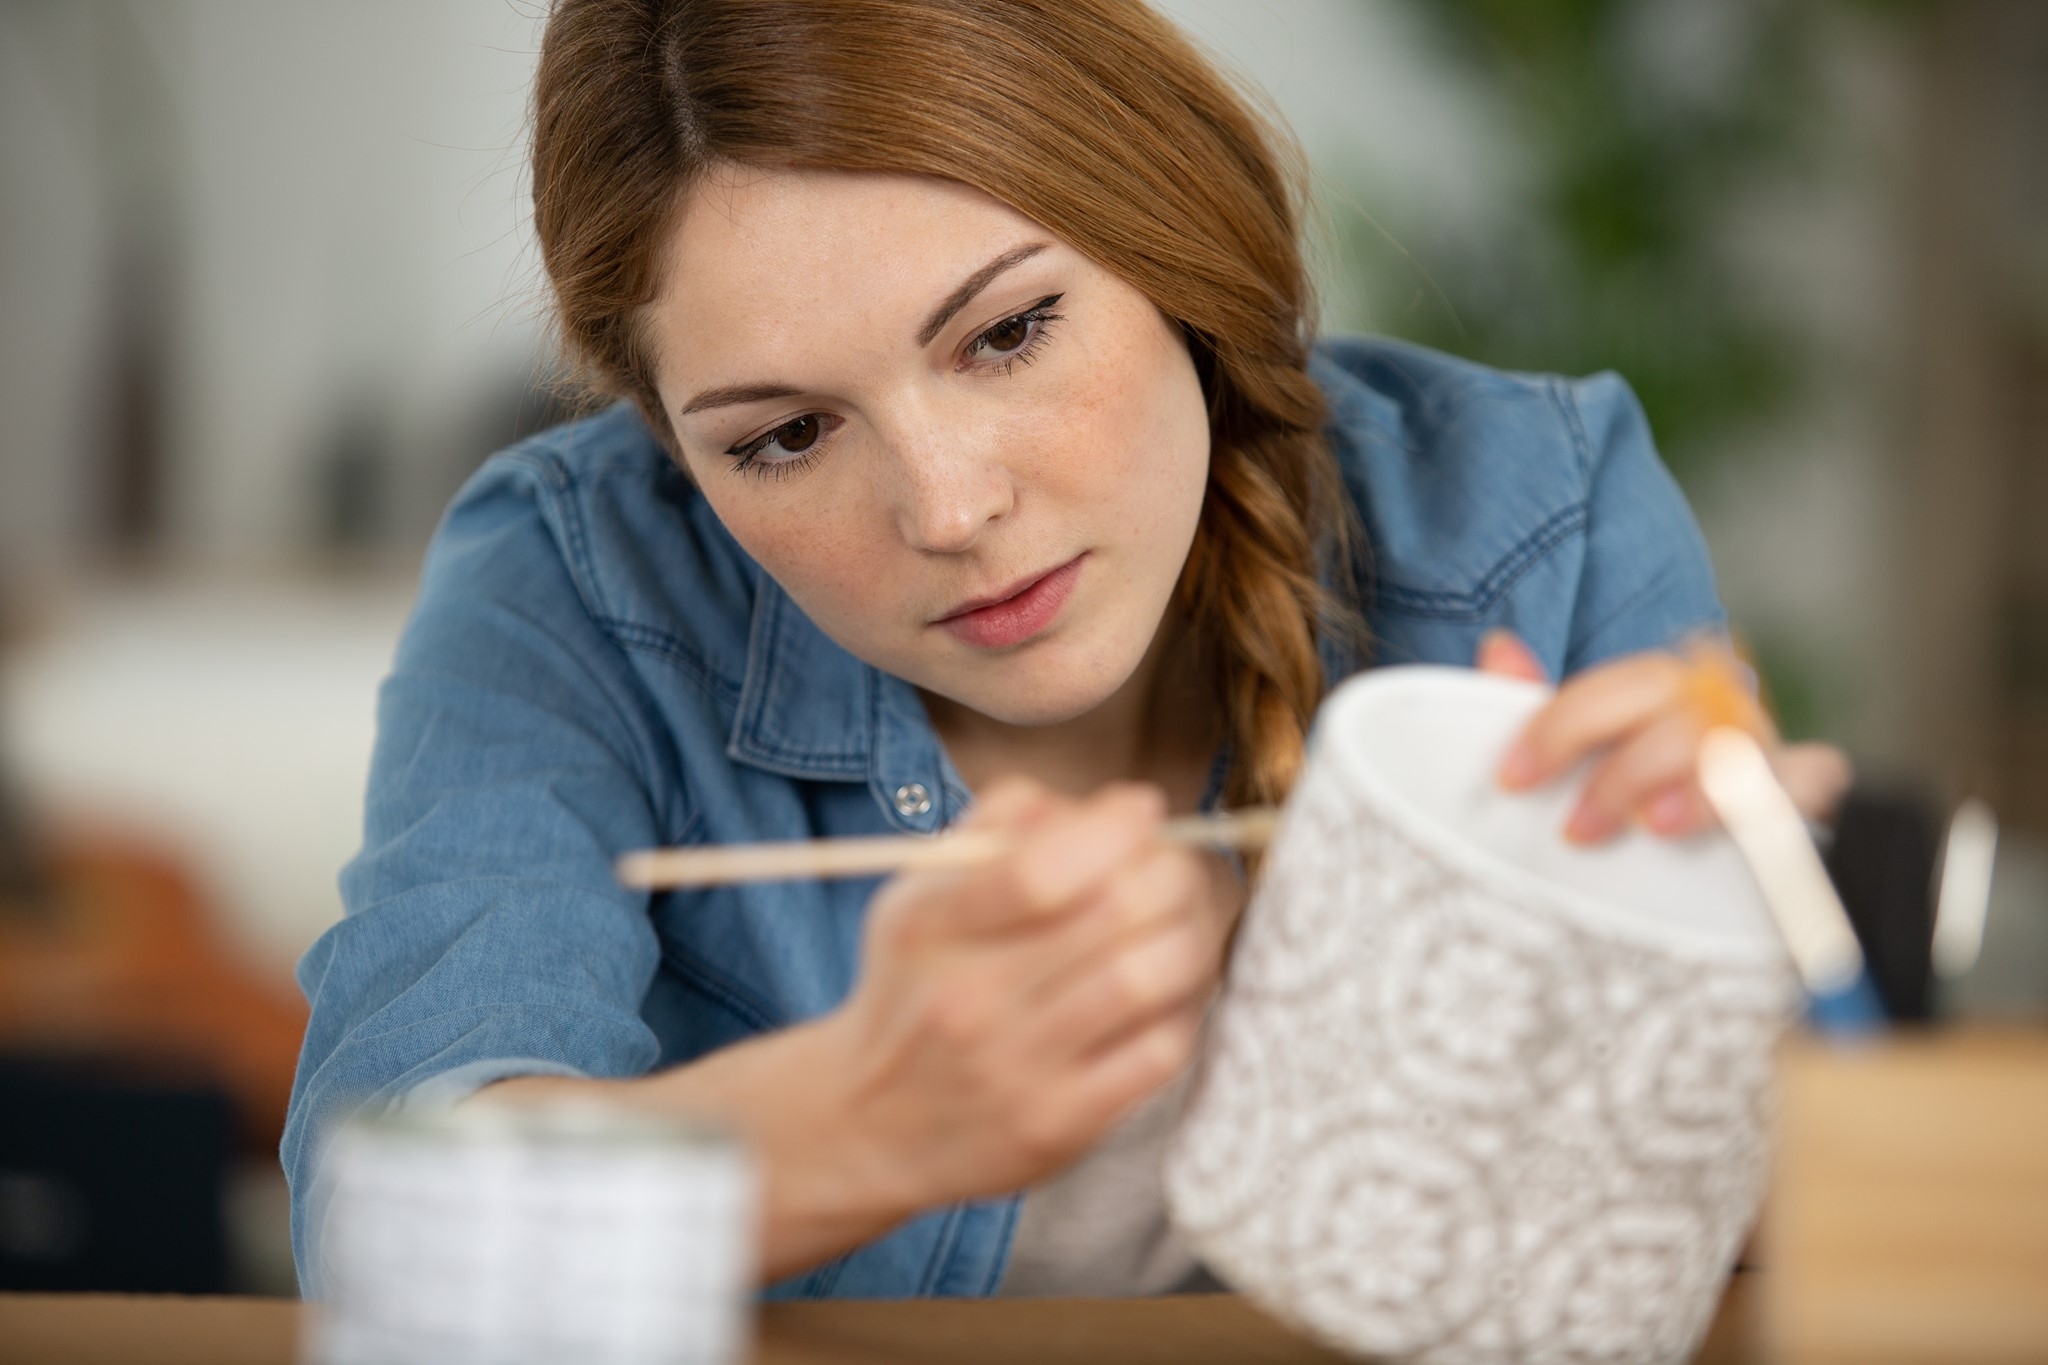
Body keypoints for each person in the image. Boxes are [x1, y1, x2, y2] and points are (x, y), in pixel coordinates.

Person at [282, 0, 1850, 1301]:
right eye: (784, 436)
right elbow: (387, 1229)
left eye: (1010, 332)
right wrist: (864, 1123)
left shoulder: (1531, 514)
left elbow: (1842, 1238)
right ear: (671, 449)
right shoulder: (574, 569)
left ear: (1173, 235)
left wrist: (1707, 973)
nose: (951, 508)